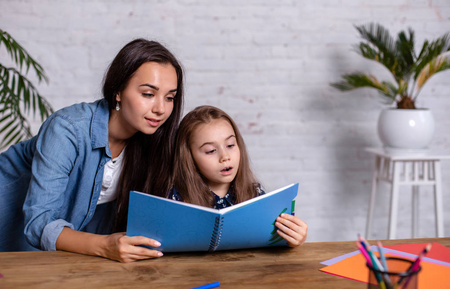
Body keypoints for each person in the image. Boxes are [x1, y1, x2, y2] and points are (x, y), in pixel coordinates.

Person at [0, 39, 184, 262]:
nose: (160, 109)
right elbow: (39, 223)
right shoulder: (68, 129)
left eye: (170, 98)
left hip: (53, 255)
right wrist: (105, 246)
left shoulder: (150, 142)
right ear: (117, 91)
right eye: (148, 94)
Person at [169, 105, 308, 247]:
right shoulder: (175, 198)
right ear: (189, 157)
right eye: (211, 151)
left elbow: (272, 242)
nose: (225, 157)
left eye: (230, 145)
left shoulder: (255, 194)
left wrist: (293, 238)